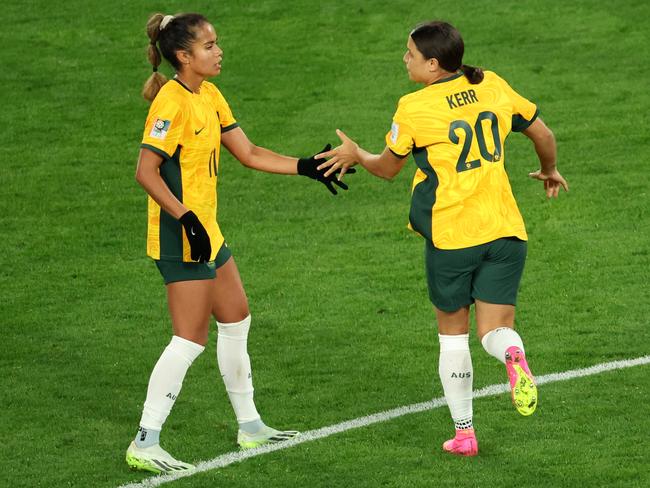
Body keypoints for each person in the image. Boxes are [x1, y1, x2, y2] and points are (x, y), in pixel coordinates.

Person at [316, 21, 568, 457]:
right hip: (506, 230)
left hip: (452, 237)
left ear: (433, 64)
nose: (405, 58)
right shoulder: (491, 83)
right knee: (496, 330)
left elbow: (387, 168)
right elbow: (543, 134)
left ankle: (465, 433)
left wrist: (357, 154)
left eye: (410, 53)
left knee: (453, 337)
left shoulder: (413, 107)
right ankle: (513, 355)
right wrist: (548, 170)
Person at [126, 12, 352, 474]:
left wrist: (306, 166)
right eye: (209, 46)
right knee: (189, 340)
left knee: (236, 318)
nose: (219, 50)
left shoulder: (208, 94)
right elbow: (145, 172)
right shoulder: (171, 103)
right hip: (181, 234)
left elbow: (247, 153)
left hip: (205, 230)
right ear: (183, 57)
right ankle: (145, 442)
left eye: (217, 42)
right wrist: (184, 217)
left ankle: (250, 427)